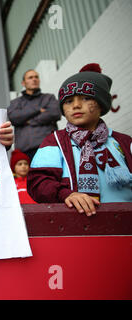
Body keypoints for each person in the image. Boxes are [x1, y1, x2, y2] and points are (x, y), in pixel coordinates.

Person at [27, 64, 132, 216]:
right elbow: (38, 182)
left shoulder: (124, 142)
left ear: (102, 105)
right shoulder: (54, 142)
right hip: (78, 229)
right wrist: (66, 194)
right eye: (68, 101)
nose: (76, 105)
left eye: (86, 98)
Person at [7, 69, 61, 160]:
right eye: (30, 77)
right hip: (25, 153)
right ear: (23, 83)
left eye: (36, 77)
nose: (34, 79)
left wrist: (28, 121)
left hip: (49, 148)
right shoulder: (15, 102)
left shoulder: (49, 98)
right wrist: (38, 110)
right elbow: (13, 117)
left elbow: (55, 113)